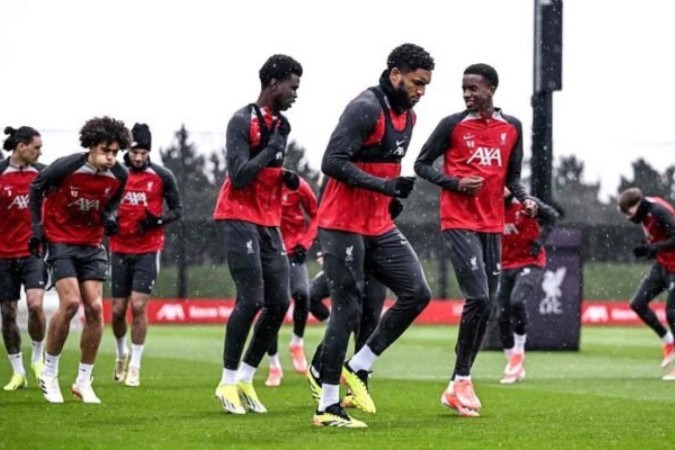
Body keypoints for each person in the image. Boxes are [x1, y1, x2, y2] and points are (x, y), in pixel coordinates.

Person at [311, 43, 434, 428]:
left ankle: (359, 366)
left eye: (426, 85)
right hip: (341, 224)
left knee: (418, 293)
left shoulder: (409, 118)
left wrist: (392, 197)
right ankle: (327, 406)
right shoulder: (365, 107)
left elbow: (385, 171)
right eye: (416, 82)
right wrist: (385, 187)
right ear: (394, 74)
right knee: (347, 310)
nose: (420, 91)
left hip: (378, 225)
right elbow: (331, 162)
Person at [414, 63, 537, 417]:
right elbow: (422, 165)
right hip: (458, 220)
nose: (467, 94)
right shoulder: (452, 125)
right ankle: (463, 378)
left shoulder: (512, 127)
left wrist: (525, 198)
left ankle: (456, 383)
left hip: (492, 225)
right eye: (464, 88)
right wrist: (455, 183)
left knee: (489, 300)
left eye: (474, 88)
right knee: (479, 296)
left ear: (492, 89)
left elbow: (513, 177)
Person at [212, 54, 303, 414]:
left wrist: (285, 174)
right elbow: (240, 176)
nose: (296, 94)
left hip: (269, 221)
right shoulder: (240, 121)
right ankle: (226, 382)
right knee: (250, 300)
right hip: (236, 215)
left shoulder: (282, 124)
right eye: (293, 87)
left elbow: (266, 170)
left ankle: (247, 379)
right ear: (273, 83)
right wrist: (271, 150)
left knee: (279, 302)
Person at [30, 117, 130, 404]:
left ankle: (83, 381)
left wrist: (111, 217)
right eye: (104, 151)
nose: (110, 157)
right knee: (71, 303)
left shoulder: (120, 175)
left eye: (114, 152)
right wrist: (37, 228)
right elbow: (36, 188)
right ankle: (49, 373)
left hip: (92, 244)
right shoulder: (67, 166)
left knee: (96, 309)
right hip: (60, 240)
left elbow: (114, 201)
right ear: (91, 146)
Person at [108, 123, 182, 387]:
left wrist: (157, 221)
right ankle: (121, 353)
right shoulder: (115, 174)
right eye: (134, 152)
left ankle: (136, 366)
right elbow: (103, 204)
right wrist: (108, 219)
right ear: (127, 150)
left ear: (149, 152)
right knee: (117, 311)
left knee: (138, 306)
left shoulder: (162, 176)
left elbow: (177, 210)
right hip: (118, 250)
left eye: (143, 152)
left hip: (148, 251)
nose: (138, 157)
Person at [0, 126, 47, 391]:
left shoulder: (43, 174)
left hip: (33, 252)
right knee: (7, 313)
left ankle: (38, 359)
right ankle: (18, 372)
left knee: (35, 306)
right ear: (21, 147)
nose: (40, 152)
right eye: (37, 147)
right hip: (3, 255)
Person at [497, 188, 558, 384]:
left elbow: (552, 216)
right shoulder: (491, 205)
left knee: (516, 301)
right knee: (500, 315)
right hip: (505, 264)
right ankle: (513, 363)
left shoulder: (526, 203)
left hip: (530, 263)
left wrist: (539, 241)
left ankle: (519, 352)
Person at [265, 176, 318, 387]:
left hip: (294, 250)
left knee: (303, 294)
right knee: (272, 307)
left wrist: (305, 244)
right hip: (270, 251)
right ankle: (274, 365)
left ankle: (297, 343)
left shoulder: (296, 184)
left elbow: (316, 214)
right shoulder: (259, 182)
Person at [617, 187, 675, 380]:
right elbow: (657, 236)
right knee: (637, 303)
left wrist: (653, 248)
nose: (629, 218)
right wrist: (646, 247)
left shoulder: (658, 210)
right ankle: (668, 342)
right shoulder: (643, 214)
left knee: (672, 313)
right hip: (663, 265)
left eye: (629, 212)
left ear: (637, 205)